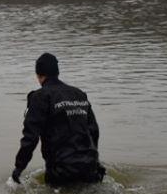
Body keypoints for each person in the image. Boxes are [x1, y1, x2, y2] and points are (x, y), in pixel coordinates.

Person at [11, 53, 105, 186]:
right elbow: (94, 130)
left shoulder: (39, 97)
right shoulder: (79, 94)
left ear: (39, 75)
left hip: (61, 171)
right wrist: (92, 158)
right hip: (90, 167)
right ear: (57, 72)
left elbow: (30, 137)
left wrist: (18, 168)